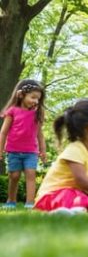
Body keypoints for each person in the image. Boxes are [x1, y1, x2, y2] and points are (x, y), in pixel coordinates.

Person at [0, 79, 47, 209]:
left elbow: (40, 135)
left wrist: (43, 151)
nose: (36, 101)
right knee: (14, 176)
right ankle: (11, 201)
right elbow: (3, 132)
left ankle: (30, 203)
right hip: (13, 151)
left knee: (30, 174)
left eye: (38, 99)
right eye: (33, 97)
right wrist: (0, 149)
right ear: (21, 95)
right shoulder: (12, 111)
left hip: (31, 152)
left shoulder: (37, 113)